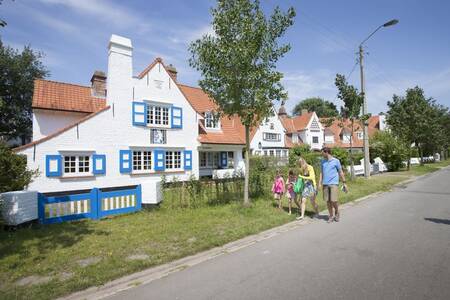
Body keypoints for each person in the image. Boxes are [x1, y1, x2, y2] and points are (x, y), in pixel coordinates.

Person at [319, 147, 347, 223]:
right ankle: (331, 216)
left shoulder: (336, 161)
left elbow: (340, 172)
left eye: (322, 153)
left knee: (334, 200)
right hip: (325, 183)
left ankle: (337, 212)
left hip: (334, 183)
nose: (321, 154)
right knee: (328, 201)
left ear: (326, 152)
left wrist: (344, 182)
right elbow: (321, 173)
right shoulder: (322, 161)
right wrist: (319, 183)